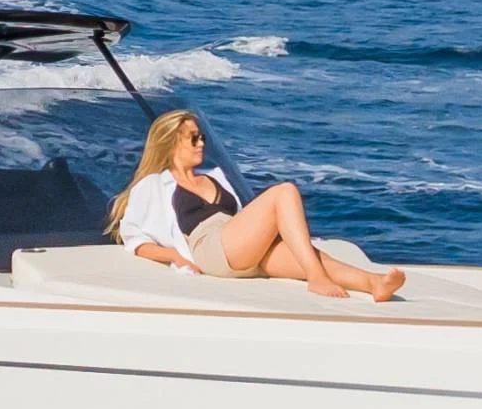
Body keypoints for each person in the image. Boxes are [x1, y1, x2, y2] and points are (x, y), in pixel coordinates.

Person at [109, 111, 402, 300]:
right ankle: (317, 278)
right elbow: (135, 238)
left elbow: (239, 219)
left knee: (308, 255)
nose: (201, 143)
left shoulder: (215, 177)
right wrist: (175, 255)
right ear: (171, 143)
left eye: (202, 137)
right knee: (284, 192)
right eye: (193, 138)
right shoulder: (155, 185)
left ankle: (372, 283)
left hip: (237, 245)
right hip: (210, 248)